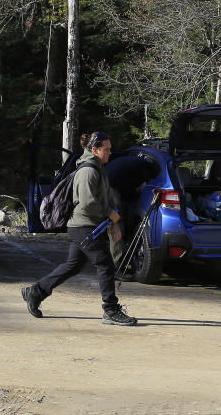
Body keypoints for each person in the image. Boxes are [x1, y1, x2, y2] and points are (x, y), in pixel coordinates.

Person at [21, 132, 138, 326]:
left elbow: (102, 200)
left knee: (73, 265)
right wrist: (111, 215)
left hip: (87, 227)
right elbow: (88, 203)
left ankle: (35, 292)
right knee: (105, 264)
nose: (110, 152)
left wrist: (114, 223)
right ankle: (110, 309)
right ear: (94, 150)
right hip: (84, 227)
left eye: (110, 148)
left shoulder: (98, 168)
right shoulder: (88, 171)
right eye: (106, 149)